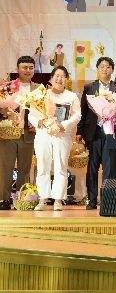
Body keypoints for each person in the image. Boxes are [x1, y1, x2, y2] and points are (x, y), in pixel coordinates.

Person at [29, 66, 81, 211]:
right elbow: (31, 113)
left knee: (61, 167)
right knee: (42, 166)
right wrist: (39, 122)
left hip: (62, 135)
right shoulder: (42, 94)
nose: (59, 79)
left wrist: (63, 125)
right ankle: (42, 199)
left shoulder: (72, 96)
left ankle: (58, 200)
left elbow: (77, 115)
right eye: (57, 76)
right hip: (43, 134)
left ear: (66, 79)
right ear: (51, 78)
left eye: (63, 76)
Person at [76, 56, 116, 210]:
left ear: (112, 70)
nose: (105, 69)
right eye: (102, 67)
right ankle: (92, 199)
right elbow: (83, 110)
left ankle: (106, 199)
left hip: (111, 132)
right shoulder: (89, 87)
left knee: (109, 166)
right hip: (93, 132)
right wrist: (79, 131)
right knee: (92, 167)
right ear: (97, 69)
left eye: (108, 67)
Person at [0, 56, 39, 210]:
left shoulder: (39, 89)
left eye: (31, 67)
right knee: (5, 167)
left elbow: (44, 111)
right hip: (9, 133)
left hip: (28, 134)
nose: (28, 70)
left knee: (25, 168)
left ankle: (22, 200)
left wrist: (38, 124)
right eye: (24, 67)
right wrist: (3, 110)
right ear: (18, 69)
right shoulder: (8, 86)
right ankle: (4, 199)